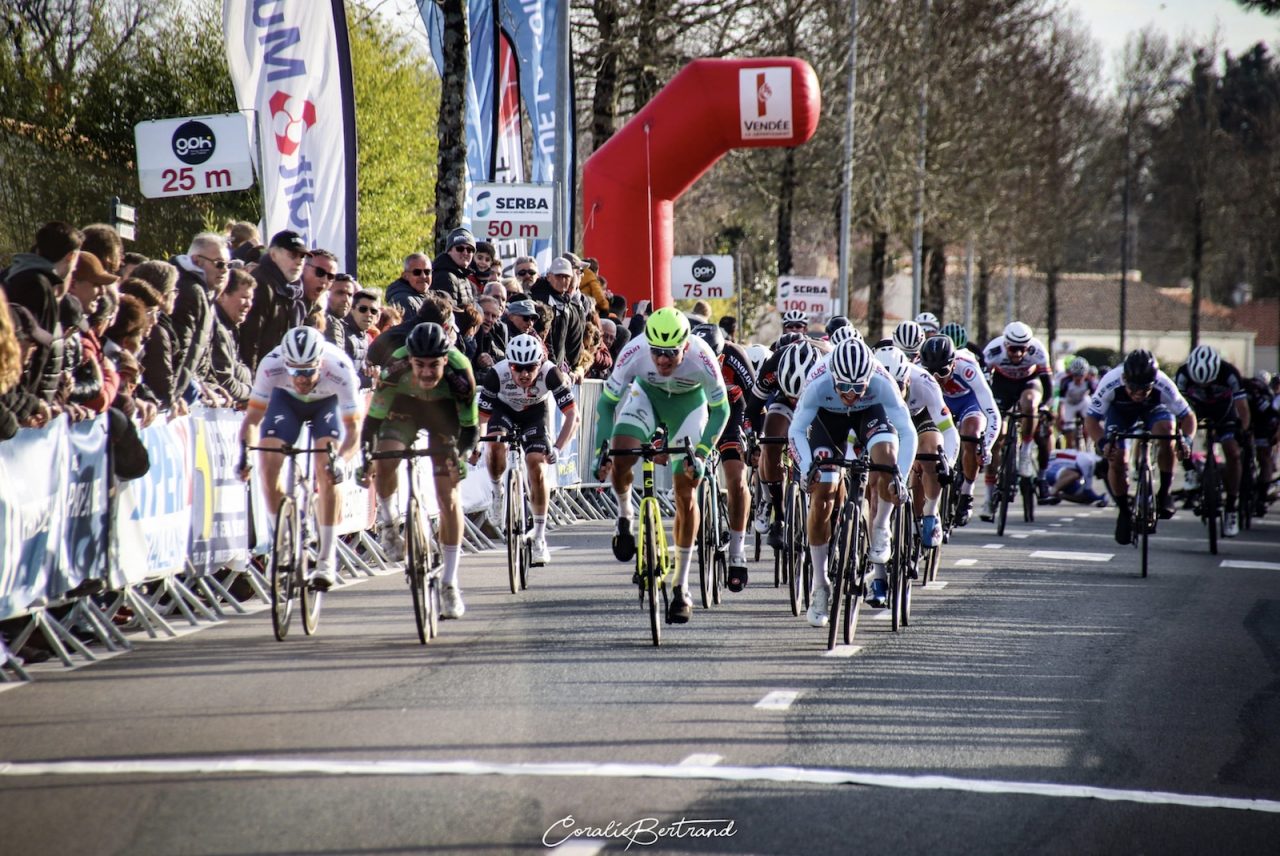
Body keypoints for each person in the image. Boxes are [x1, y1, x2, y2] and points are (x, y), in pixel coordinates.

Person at [594, 308, 729, 624]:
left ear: (686, 345)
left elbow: (720, 411)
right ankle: (625, 515)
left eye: (671, 354)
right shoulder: (635, 351)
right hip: (646, 399)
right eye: (657, 353)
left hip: (689, 409)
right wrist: (603, 451)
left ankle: (681, 586)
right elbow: (606, 403)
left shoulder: (703, 357)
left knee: (686, 491)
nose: (663, 361)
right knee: (621, 451)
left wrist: (703, 453)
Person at [791, 339, 916, 626]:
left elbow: (908, 432)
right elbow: (796, 429)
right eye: (844, 387)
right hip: (826, 422)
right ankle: (820, 585)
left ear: (867, 379)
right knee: (823, 487)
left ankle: (881, 525)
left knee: (886, 457)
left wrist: (902, 477)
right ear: (833, 377)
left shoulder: (881, 381)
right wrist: (806, 467)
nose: (850, 394)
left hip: (870, 416)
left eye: (857, 388)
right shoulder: (818, 380)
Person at [361, 322, 478, 619]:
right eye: (420, 365)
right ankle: (389, 525)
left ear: (444, 360)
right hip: (405, 408)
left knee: (448, 494)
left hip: (445, 414)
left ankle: (450, 583)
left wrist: (460, 456)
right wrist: (366, 457)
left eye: (434, 365)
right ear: (409, 359)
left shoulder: (460, 372)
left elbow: (470, 429)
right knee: (385, 456)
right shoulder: (395, 369)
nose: (426, 372)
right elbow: (372, 423)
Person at [238, 326, 362, 590]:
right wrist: (245, 455)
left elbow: (354, 431)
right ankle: (280, 543)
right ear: (285, 363)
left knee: (327, 468)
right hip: (286, 402)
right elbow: (251, 420)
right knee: (268, 462)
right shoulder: (271, 365)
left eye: (307, 371)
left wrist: (341, 461)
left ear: (321, 362)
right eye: (294, 371)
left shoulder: (339, 368)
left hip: (326, 404)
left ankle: (327, 558)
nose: (301, 378)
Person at [472, 333, 578, 565]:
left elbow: (572, 415)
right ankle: (498, 492)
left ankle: (539, 537)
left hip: (535, 414)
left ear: (539, 364)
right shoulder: (496, 375)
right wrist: (477, 446)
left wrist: (558, 448)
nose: (524, 374)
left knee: (536, 466)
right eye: (517, 368)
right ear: (508, 364)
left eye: (530, 368)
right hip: (504, 409)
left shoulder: (551, 373)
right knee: (495, 442)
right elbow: (481, 418)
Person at [1085, 349, 1196, 545]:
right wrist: (1102, 443)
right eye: (1133, 388)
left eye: (1144, 389)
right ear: (1124, 379)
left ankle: (1164, 493)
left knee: (1168, 431)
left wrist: (1186, 441)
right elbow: (1091, 420)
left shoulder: (1163, 383)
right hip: (1121, 413)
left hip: (1153, 410)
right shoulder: (1110, 382)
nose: (1138, 394)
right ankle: (1124, 511)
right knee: (1117, 457)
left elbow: (1188, 417)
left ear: (1153, 382)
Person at [874, 344, 959, 550]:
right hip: (886, 419)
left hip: (919, 417)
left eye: (899, 387)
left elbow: (948, 430)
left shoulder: (925, 382)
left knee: (931, 453)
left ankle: (930, 511)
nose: (894, 393)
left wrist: (948, 462)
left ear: (908, 380)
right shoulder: (872, 383)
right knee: (875, 476)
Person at [692, 323, 756, 590]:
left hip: (731, 410)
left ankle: (737, 551)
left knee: (736, 479)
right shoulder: (688, 355)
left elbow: (756, 398)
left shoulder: (734, 356)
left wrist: (752, 436)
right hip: (698, 409)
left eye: (716, 359)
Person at [919, 334, 1000, 525]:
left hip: (967, 401)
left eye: (942, 371)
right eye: (931, 372)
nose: (936, 377)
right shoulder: (918, 369)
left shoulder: (968, 368)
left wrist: (986, 446)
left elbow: (992, 413)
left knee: (970, 434)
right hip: (939, 402)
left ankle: (967, 493)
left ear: (953, 365)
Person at [1174, 345, 1250, 536]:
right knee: (1181, 438)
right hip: (1195, 410)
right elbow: (1175, 407)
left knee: (1232, 452)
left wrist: (1243, 429)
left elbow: (1242, 407)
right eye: (1200, 384)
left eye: (1208, 383)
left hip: (1224, 412)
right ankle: (1190, 470)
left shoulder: (1230, 373)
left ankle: (1231, 507)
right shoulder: (1183, 374)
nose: (1205, 387)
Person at [980, 321, 1052, 520]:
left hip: (1028, 384)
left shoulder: (1038, 351)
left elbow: (1048, 386)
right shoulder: (993, 351)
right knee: (997, 437)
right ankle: (987, 499)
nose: (1019, 354)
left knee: (1030, 403)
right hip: (1001, 386)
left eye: (1023, 349)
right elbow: (982, 386)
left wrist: (1044, 407)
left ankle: (1026, 452)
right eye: (1013, 349)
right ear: (1005, 345)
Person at [171, 233, 229, 405]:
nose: (225, 270)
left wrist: (207, 385)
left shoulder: (205, 292)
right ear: (197, 261)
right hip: (176, 394)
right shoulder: (190, 291)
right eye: (219, 264)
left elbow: (201, 355)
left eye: (228, 265)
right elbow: (183, 351)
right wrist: (177, 395)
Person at [240, 230, 307, 371]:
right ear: (273, 255)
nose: (299, 261)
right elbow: (250, 340)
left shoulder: (295, 291)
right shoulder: (260, 285)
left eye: (302, 256)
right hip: (261, 376)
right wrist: (253, 382)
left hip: (282, 375)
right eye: (293, 255)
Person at [209, 269, 256, 406]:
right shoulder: (219, 330)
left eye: (251, 299)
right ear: (222, 296)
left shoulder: (230, 328)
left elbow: (237, 370)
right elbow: (226, 383)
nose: (249, 304)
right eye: (244, 297)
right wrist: (252, 392)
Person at [1040, 449, 1108, 506]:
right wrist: (1101, 498)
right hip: (1051, 468)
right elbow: (1088, 490)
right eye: (1102, 475)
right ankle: (1051, 493)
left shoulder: (1097, 460)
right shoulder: (1089, 462)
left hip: (1060, 469)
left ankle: (1059, 496)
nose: (1100, 478)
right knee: (1075, 475)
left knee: (1085, 498)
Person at [431, 228, 478, 309]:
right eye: (460, 248)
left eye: (469, 250)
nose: (465, 252)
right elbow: (447, 312)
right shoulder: (444, 276)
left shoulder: (463, 277)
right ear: (449, 251)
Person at [1056, 356, 1096, 449]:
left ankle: (1088, 445)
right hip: (1069, 404)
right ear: (1071, 374)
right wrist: (1060, 415)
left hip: (1083, 402)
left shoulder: (1089, 382)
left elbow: (1096, 399)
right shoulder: (1065, 382)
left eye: (1081, 376)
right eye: (1075, 375)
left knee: (1089, 414)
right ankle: (1070, 450)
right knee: (1069, 433)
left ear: (1086, 374)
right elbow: (1061, 402)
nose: (1078, 379)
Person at [323, 273, 356, 349]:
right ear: (327, 294)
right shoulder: (328, 322)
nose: (346, 299)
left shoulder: (343, 324)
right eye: (340, 293)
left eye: (350, 295)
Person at [300, 249, 337, 314]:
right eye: (320, 272)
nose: (324, 280)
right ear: (304, 268)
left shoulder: (321, 311)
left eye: (330, 277)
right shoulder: (284, 302)